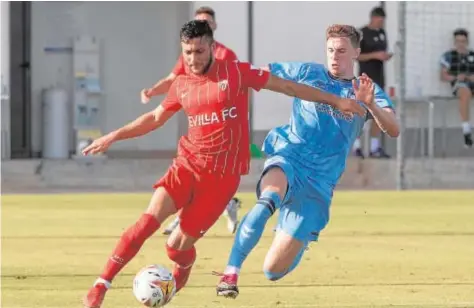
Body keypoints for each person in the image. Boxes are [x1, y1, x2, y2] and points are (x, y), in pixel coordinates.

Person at [82, 20, 365, 308]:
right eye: (188, 52)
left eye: (199, 51)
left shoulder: (236, 72)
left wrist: (335, 101)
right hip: (187, 166)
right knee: (146, 222)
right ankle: (100, 287)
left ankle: (179, 276)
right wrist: (114, 136)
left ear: (212, 48)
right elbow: (155, 118)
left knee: (176, 248)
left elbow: (288, 87)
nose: (193, 59)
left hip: (220, 181)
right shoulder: (181, 85)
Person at [215, 24, 399, 299]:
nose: (334, 57)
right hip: (290, 156)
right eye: (330, 51)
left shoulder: (366, 90)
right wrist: (223, 74)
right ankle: (230, 274)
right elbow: (259, 71)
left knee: (272, 271)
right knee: (268, 200)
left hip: (320, 183)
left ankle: (300, 240)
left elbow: (393, 129)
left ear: (356, 53)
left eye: (341, 51)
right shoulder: (307, 72)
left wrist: (370, 105)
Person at [140, 6, 242, 235]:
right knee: (192, 172)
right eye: (199, 21)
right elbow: (172, 79)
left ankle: (193, 216)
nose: (193, 57)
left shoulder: (227, 56)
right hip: (198, 121)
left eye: (206, 21)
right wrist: (152, 91)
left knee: (208, 178)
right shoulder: (189, 55)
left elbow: (238, 88)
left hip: (221, 130)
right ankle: (207, 210)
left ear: (213, 27)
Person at [353, 6, 393, 158]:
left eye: (383, 21)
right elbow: (356, 57)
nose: (381, 24)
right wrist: (374, 55)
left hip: (380, 78)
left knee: (380, 111)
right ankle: (356, 146)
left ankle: (374, 147)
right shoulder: (361, 33)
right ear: (373, 18)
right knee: (361, 113)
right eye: (379, 20)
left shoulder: (382, 33)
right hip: (364, 79)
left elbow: (381, 53)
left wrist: (384, 56)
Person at [440, 28, 474, 148]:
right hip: (459, 84)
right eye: (458, 41)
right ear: (454, 42)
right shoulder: (448, 56)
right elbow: (443, 76)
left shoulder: (472, 55)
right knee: (465, 93)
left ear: (467, 42)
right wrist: (456, 77)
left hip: (471, 82)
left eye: (463, 41)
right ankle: (466, 131)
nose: (461, 44)